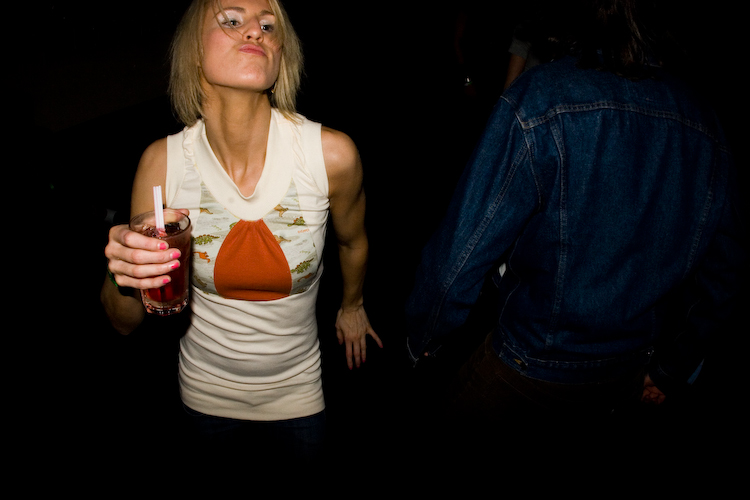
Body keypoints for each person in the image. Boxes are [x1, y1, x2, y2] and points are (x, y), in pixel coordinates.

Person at [405, 0, 746, 444]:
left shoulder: (543, 96)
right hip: (626, 372)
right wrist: (671, 368)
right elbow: (725, 272)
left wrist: (423, 340)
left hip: (532, 363)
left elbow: (460, 255)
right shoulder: (704, 118)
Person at [102, 0, 381, 464]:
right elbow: (124, 322)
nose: (255, 32)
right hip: (204, 392)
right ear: (194, 50)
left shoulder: (330, 156)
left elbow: (353, 242)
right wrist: (124, 274)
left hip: (298, 390)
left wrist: (352, 304)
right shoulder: (162, 165)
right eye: (232, 21)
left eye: (268, 26)